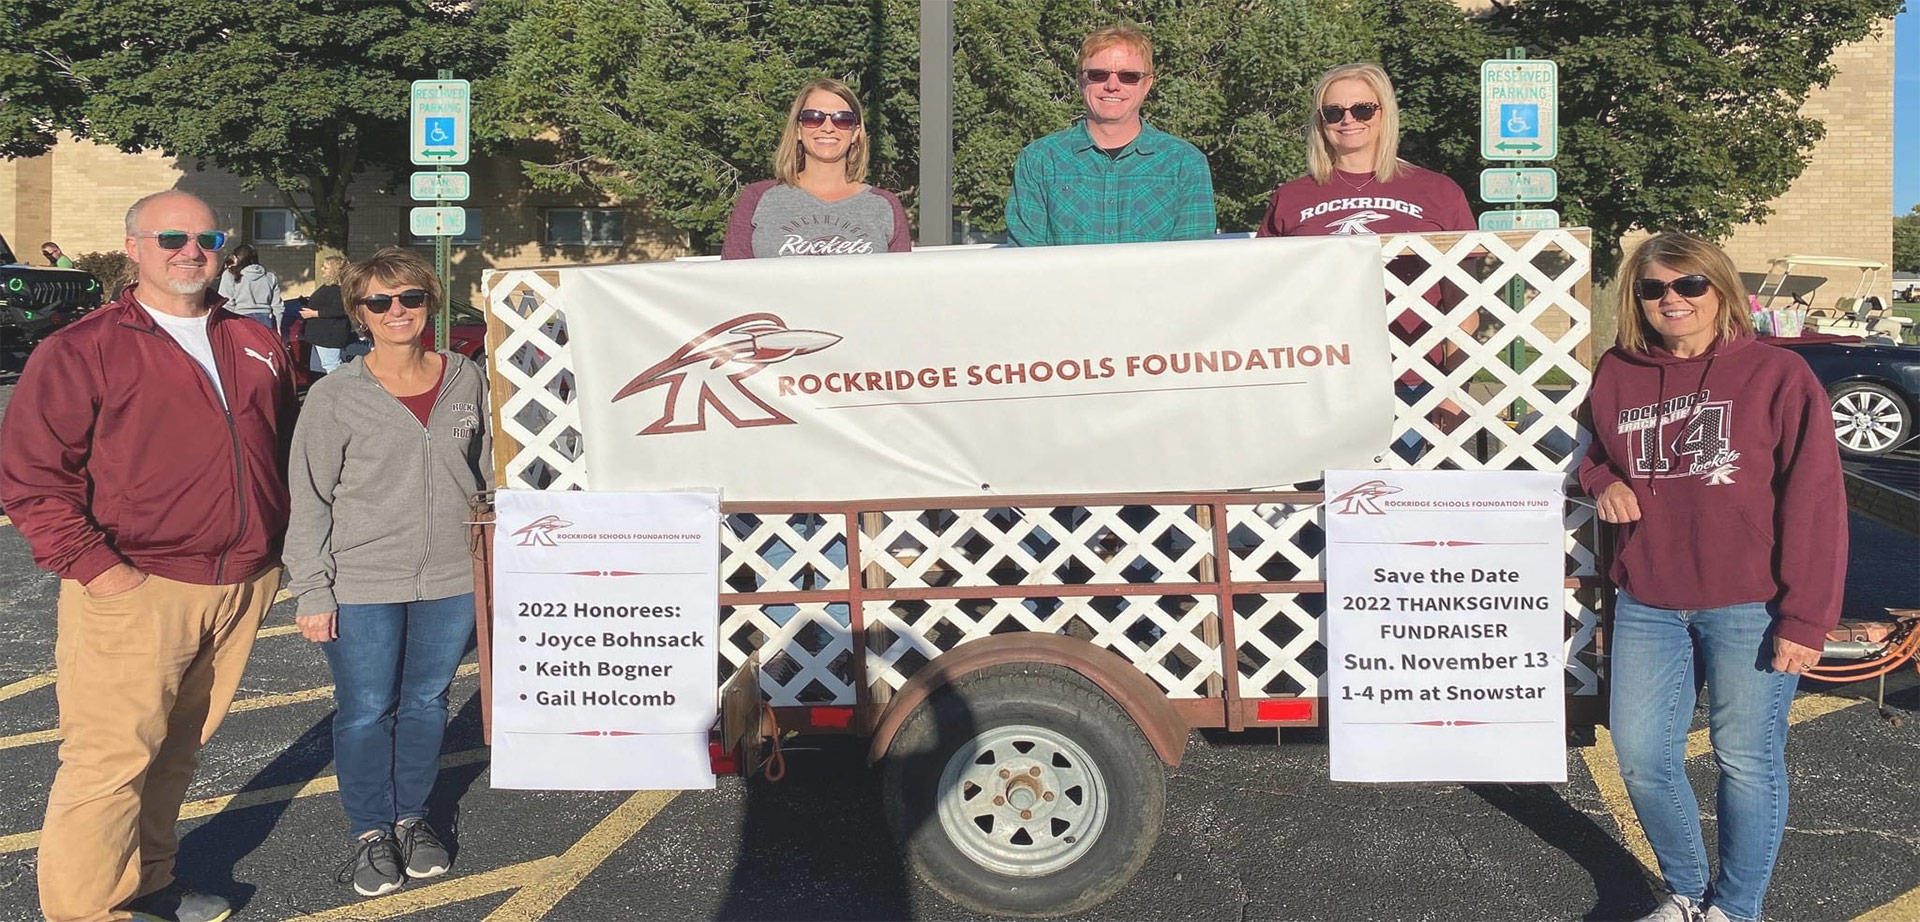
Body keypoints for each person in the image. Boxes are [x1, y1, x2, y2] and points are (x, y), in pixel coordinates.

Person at [0, 190, 296, 922]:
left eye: (206, 238)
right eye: (171, 237)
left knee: (175, 754)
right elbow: (33, 477)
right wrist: (100, 571)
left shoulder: (253, 341)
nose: (191, 251)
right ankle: (86, 912)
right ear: (134, 247)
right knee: (108, 765)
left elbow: (282, 445)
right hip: (137, 585)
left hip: (242, 581)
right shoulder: (82, 347)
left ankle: (149, 885)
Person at [1579, 232, 1846, 922]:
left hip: (1750, 606)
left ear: (1721, 288)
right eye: (1653, 288)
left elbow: (1815, 501)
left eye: (1688, 283)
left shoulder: (1776, 375)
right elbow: (1589, 448)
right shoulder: (1616, 370)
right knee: (1639, 756)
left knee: (1746, 761)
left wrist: (1805, 617)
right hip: (1649, 600)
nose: (1672, 299)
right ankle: (1688, 892)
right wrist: (1602, 477)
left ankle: (1737, 908)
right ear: (1636, 299)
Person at [284, 246, 491, 897]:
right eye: (380, 301)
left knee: (427, 702)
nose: (397, 311)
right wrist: (312, 589)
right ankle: (371, 832)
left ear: (430, 302)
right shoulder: (335, 395)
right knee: (368, 708)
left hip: (452, 578)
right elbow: (310, 497)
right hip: (363, 580)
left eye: (410, 298)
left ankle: (411, 818)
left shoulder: (467, 377)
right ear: (359, 313)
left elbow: (487, 474)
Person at [1257, 62, 1476, 462]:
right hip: (1318, 379)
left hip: (1411, 376)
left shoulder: (1437, 191)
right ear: (1320, 121)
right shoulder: (1291, 197)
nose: (1347, 120)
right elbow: (1266, 299)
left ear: (1384, 112)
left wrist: (1453, 388)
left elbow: (1464, 306)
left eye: (1362, 109)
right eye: (1333, 112)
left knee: (1402, 509)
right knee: (1317, 511)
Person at [1003, 24, 1215, 247]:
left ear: (1147, 84)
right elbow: (1026, 260)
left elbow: (1192, 262)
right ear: (1080, 80)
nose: (1112, 85)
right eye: (1098, 74)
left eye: (1129, 76)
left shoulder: (1185, 163)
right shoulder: (1039, 161)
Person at [722, 77, 911, 259]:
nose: (828, 127)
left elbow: (903, 285)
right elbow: (730, 282)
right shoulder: (756, 199)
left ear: (855, 133)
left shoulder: (885, 206)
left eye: (842, 119)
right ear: (798, 129)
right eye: (813, 117)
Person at [299, 255, 352, 374]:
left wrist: (315, 313)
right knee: (318, 368)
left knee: (332, 366)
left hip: (329, 336)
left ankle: (340, 390)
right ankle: (324, 391)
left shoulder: (340, 289)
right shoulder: (328, 286)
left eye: (326, 267)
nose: (322, 269)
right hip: (319, 335)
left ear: (335, 270)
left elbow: (341, 310)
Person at [218, 243, 284, 334]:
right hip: (266, 319)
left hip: (240, 317)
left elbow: (226, 302)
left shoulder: (230, 275)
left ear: (236, 258)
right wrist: (278, 326)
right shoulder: (270, 276)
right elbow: (277, 306)